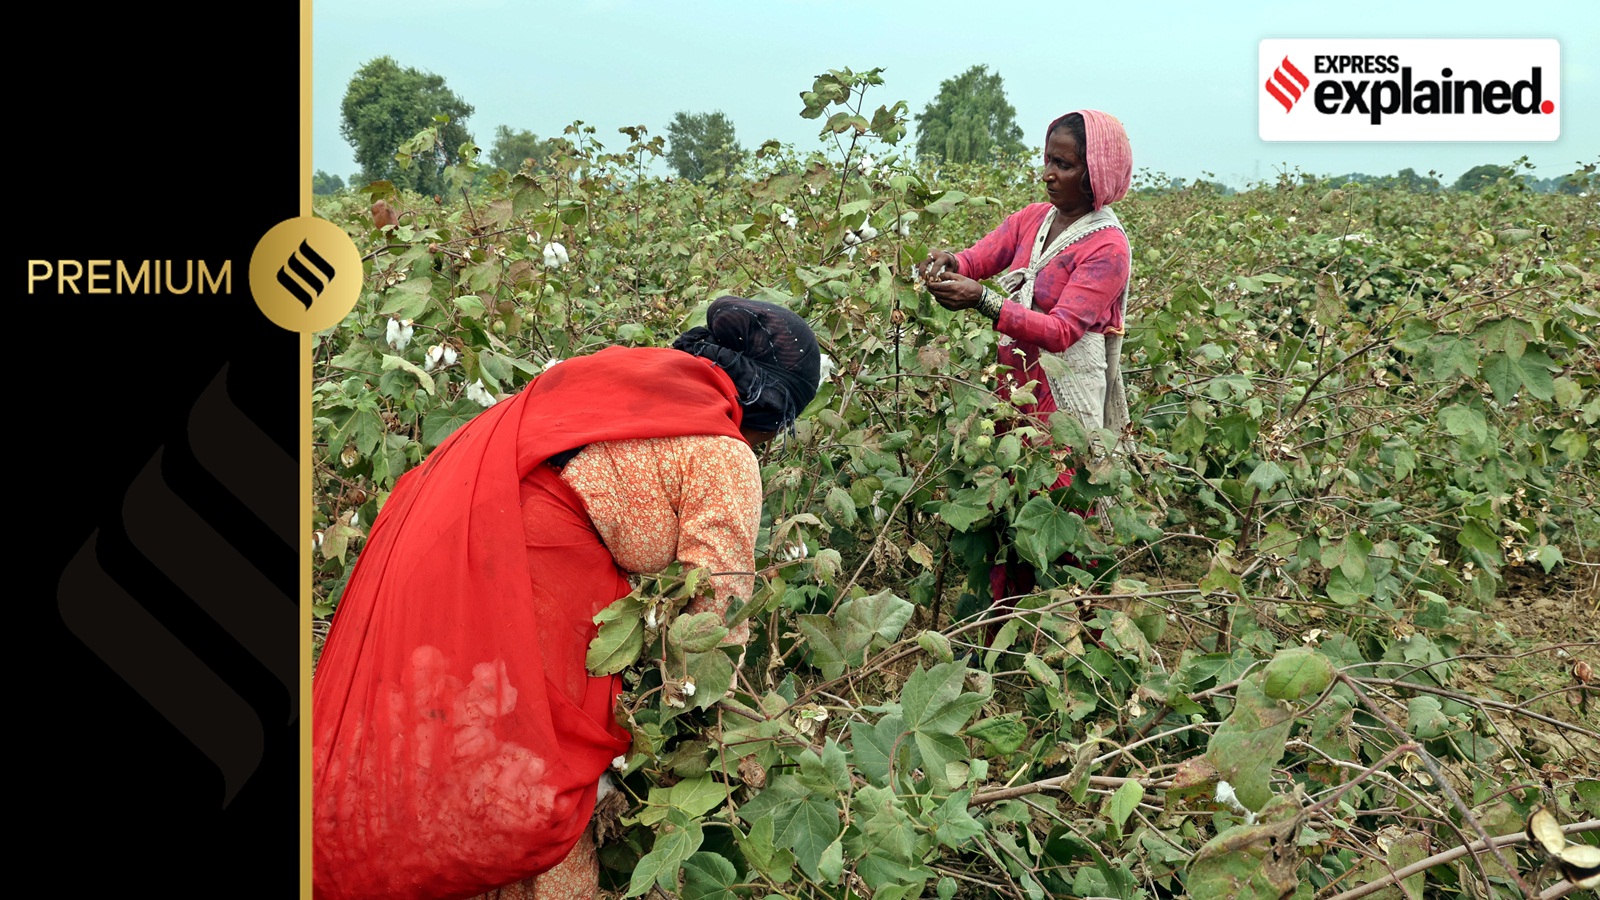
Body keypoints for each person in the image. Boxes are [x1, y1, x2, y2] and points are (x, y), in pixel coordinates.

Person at [311, 296, 821, 900]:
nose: (766, 444)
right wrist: (736, 746)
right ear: (771, 406)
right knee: (538, 792)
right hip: (522, 567)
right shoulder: (725, 453)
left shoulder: (615, 379)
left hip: (441, 536)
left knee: (433, 743)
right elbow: (716, 615)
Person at [916, 109, 1134, 611]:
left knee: (1065, 514)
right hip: (1011, 394)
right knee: (1006, 512)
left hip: (1063, 400)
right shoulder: (1032, 219)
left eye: (1064, 164)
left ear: (1095, 172)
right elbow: (979, 259)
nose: (1048, 174)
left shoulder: (1108, 247)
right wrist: (951, 263)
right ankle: (999, 638)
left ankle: (1082, 637)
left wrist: (985, 301)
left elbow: (1060, 332)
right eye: (1047, 160)